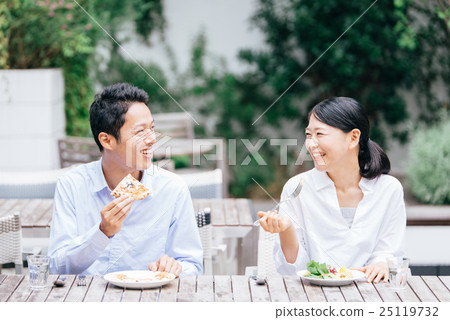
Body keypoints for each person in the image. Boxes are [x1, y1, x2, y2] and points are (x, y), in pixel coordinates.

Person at [48, 82, 203, 276]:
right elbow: (56, 268)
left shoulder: (172, 189)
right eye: (140, 132)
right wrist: (102, 233)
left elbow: (193, 266)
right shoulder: (72, 185)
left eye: (152, 128)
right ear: (107, 140)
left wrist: (175, 268)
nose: (152, 139)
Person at [258, 97, 406, 284]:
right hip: (312, 296)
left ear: (353, 138)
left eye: (320, 134)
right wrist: (286, 229)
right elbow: (292, 269)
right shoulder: (297, 188)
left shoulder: (388, 189)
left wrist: (382, 263)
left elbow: (389, 252)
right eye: (308, 135)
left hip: (371, 292)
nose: (311, 144)